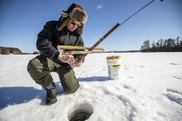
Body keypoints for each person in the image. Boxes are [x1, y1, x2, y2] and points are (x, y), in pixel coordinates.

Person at [27, 3, 88, 105]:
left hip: (66, 64)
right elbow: (42, 42)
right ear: (67, 18)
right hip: (50, 59)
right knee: (34, 66)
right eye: (73, 22)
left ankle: (70, 82)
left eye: (79, 24)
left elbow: (80, 52)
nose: (75, 26)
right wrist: (57, 55)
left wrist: (80, 60)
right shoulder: (51, 26)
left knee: (71, 89)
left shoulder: (78, 36)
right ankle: (50, 87)